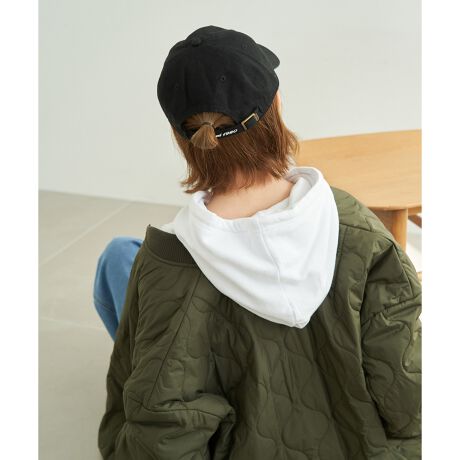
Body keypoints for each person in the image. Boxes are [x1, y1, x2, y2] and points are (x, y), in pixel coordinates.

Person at [94, 26, 421, 459]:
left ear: (181, 137)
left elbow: (163, 435)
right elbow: (409, 399)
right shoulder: (360, 230)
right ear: (277, 106)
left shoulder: (166, 266)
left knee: (120, 257)